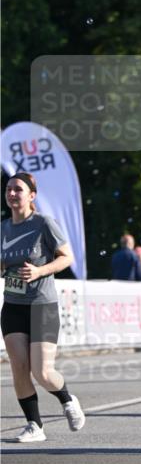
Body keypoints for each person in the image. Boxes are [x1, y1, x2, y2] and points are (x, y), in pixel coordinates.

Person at [1, 172, 85, 442]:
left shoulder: (43, 224)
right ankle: (34, 426)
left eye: (18, 190)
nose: (12, 194)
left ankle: (67, 398)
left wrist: (39, 271)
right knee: (19, 368)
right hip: (13, 305)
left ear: (32, 196)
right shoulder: (3, 227)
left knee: (43, 372)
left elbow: (66, 258)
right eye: (9, 189)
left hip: (42, 305)